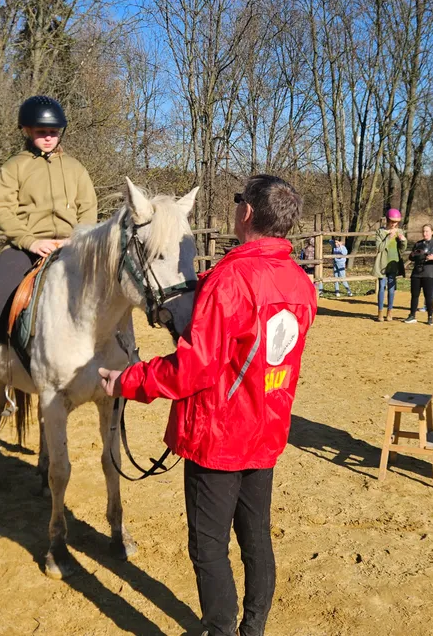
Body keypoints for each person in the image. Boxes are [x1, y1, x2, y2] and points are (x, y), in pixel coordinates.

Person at [99, 175, 316, 636]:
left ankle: (220, 630)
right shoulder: (299, 280)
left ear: (247, 214)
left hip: (219, 436)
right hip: (267, 428)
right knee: (256, 536)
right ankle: (252, 627)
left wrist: (128, 380)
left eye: (239, 201)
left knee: (209, 546)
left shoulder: (232, 280)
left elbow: (193, 369)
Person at [0, 96, 97, 410]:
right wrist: (30, 241)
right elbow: (4, 211)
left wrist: (75, 238)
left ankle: (114, 355)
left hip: (70, 246)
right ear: (26, 130)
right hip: (26, 247)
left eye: (53, 131)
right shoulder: (13, 168)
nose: (48, 137)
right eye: (40, 131)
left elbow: (88, 209)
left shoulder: (76, 169)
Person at [403, 224, 433, 325]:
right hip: (417, 273)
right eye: (423, 231)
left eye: (427, 231)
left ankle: (430, 317)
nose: (425, 233)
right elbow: (412, 257)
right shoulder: (418, 244)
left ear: (432, 232)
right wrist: (413, 255)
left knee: (428, 296)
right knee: (414, 295)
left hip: (429, 273)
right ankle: (412, 315)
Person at [372, 209, 407, 322]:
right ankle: (380, 312)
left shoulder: (400, 231)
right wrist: (388, 237)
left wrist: (403, 241)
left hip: (394, 264)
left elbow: (402, 250)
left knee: (391, 290)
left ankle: (390, 312)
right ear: (387, 220)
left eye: (396, 222)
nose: (394, 224)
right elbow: (380, 248)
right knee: (382, 287)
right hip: (382, 264)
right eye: (392, 221)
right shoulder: (380, 232)